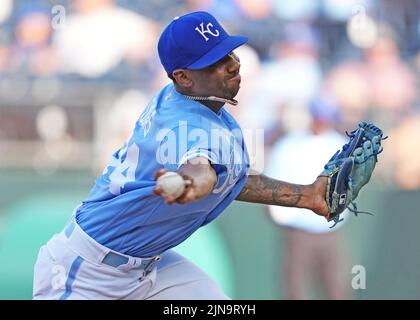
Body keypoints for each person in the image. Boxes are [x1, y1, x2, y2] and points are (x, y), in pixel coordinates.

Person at [33, 11, 329, 300]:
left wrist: (306, 196)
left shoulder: (185, 99)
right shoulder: (187, 126)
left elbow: (226, 177)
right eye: (214, 61)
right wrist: (191, 184)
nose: (232, 64)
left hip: (149, 265)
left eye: (228, 51)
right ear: (184, 77)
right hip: (86, 273)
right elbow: (201, 171)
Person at [266, 96, 350, 299]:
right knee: (295, 290)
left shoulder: (341, 146)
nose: (322, 122)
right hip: (298, 231)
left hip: (329, 230)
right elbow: (274, 181)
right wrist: (282, 215)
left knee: (336, 289)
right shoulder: (289, 145)